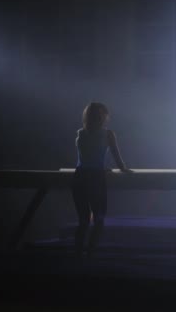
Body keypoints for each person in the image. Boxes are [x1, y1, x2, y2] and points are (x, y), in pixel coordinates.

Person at [72, 102, 132, 259]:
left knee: (83, 221)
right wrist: (124, 169)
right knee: (98, 219)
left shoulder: (81, 133)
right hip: (95, 179)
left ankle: (78, 256)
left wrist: (99, 167)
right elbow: (118, 160)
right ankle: (90, 255)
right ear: (103, 116)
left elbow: (86, 158)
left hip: (80, 177)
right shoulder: (108, 134)